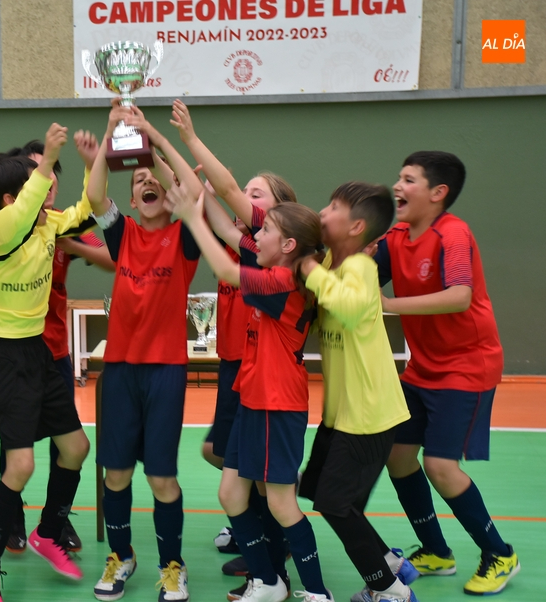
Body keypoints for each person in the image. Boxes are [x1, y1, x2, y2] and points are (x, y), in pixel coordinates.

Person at [168, 176, 334, 602]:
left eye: (265, 230)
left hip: (276, 402)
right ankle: (268, 581)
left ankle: (316, 592)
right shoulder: (274, 269)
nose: (254, 234)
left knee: (280, 503)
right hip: (252, 396)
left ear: (289, 245)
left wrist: (191, 214)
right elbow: (229, 234)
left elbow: (224, 268)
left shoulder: (283, 283)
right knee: (230, 492)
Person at [376, 151, 519, 596]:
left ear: (438, 193)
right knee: (398, 456)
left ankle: (500, 553)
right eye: (398, 177)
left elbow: (459, 296)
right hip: (423, 367)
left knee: (439, 464)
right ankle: (436, 551)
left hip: (467, 365)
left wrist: (389, 306)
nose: (398, 186)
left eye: (409, 180)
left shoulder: (453, 234)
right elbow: (359, 277)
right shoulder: (396, 235)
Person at [0, 125, 96, 602]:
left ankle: (46, 532)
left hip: (38, 352)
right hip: (3, 358)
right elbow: (24, 207)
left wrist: (92, 160)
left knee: (76, 448)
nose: (45, 186)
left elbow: (91, 208)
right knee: (19, 465)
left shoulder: (48, 224)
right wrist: (49, 155)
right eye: (35, 181)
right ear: (8, 199)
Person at [169, 100, 298, 582]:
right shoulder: (242, 242)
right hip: (233, 364)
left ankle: (270, 543)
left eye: (255, 194)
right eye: (246, 192)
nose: (245, 197)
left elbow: (219, 190)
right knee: (226, 459)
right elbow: (204, 198)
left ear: (274, 211)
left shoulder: (269, 259)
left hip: (262, 373)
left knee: (256, 476)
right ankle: (256, 528)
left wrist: (184, 137)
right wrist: (163, 154)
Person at [84, 102, 203, 602]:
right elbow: (94, 196)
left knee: (161, 477)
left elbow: (194, 192)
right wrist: (113, 131)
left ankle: (172, 566)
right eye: (138, 182)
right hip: (120, 372)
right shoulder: (123, 235)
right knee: (117, 473)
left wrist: (151, 133)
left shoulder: (185, 238)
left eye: (155, 179)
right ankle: (122, 555)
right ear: (132, 200)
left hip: (165, 372)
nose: (147, 183)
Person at [296, 182, 419, 602]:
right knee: (321, 493)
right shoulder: (332, 262)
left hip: (369, 417)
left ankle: (389, 590)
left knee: (335, 504)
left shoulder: (361, 269)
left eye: (333, 207)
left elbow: (347, 310)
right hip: (342, 415)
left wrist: (309, 269)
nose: (323, 212)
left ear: (357, 227)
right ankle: (389, 561)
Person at [0, 139, 114, 554]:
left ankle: (55, 523)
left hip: (54, 349)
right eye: (34, 175)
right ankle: (11, 521)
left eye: (47, 176)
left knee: (68, 443)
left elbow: (113, 256)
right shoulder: (6, 226)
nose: (44, 182)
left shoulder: (59, 222)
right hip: (11, 348)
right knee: (16, 446)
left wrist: (69, 244)